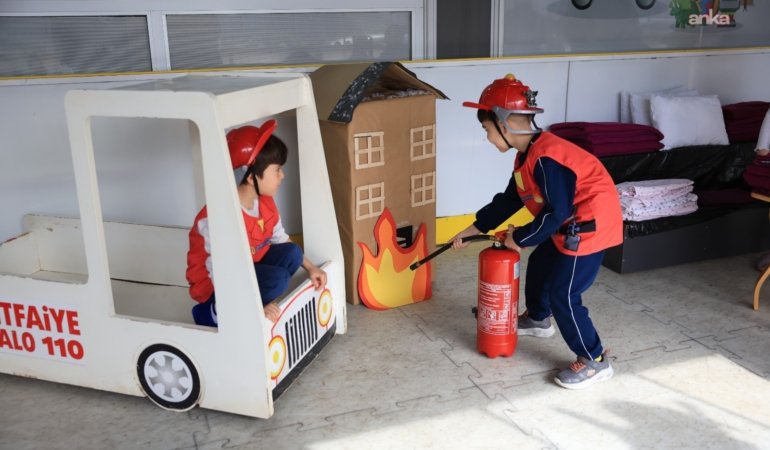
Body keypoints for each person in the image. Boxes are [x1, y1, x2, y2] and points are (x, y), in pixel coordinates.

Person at [453, 74, 623, 389]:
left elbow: (555, 211)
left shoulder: (547, 158)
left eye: (487, 130)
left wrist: (520, 238)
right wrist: (471, 229)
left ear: (504, 124)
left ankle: (595, 359)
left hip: (588, 229)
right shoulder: (526, 157)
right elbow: (508, 201)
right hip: (569, 224)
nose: (487, 137)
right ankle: (538, 318)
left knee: (565, 292)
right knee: (543, 259)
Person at [186, 120, 327, 326]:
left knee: (293, 254)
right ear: (251, 177)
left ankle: (259, 300)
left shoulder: (266, 202)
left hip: (248, 267)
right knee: (277, 279)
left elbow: (281, 238)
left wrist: (312, 268)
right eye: (277, 170)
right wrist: (254, 304)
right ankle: (213, 313)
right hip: (218, 285)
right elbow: (219, 271)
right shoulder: (218, 217)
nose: (282, 175)